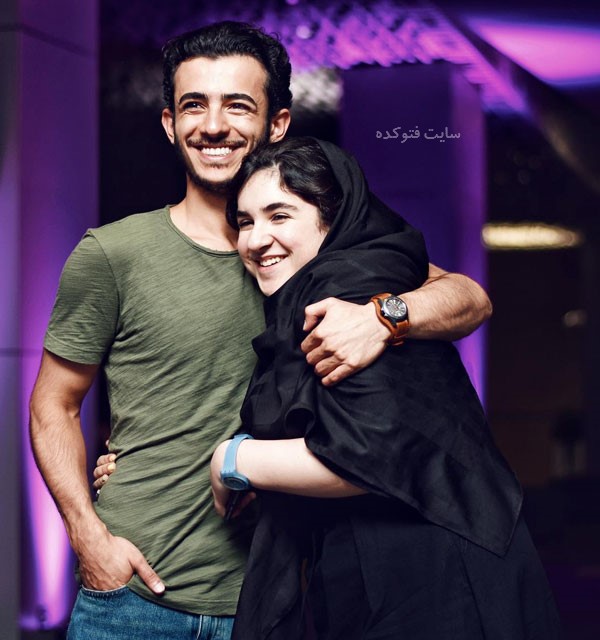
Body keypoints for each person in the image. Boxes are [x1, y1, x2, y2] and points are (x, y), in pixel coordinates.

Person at [29, 21, 491, 640]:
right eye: (194, 105)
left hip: (280, 600)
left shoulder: (320, 254)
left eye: (238, 105)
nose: (214, 125)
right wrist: (88, 537)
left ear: (278, 124)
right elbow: (53, 406)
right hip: (134, 596)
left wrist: (383, 317)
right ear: (169, 123)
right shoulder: (113, 254)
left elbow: (470, 299)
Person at [209, 137, 562, 639]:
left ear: (332, 220)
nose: (256, 239)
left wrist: (233, 459)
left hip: (435, 576)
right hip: (387, 568)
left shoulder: (352, 286)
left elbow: (364, 454)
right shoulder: (320, 290)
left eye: (280, 215)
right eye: (245, 222)